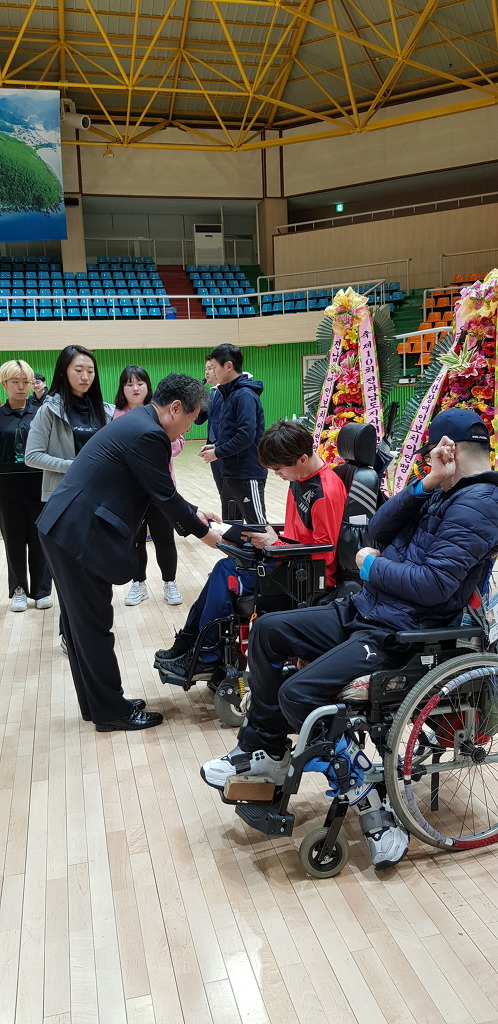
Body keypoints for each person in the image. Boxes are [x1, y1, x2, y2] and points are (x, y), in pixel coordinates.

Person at [201, 408, 498, 869]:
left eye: (431, 457)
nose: (428, 463)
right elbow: (376, 528)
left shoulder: (479, 506)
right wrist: (425, 484)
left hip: (404, 632)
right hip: (368, 608)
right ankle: (266, 749)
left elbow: (435, 585)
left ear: (450, 450)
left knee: (297, 694)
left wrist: (371, 566)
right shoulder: (443, 490)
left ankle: (370, 801)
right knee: (268, 630)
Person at [36, 374, 222, 733]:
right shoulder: (149, 434)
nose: (187, 430)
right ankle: (111, 712)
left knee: (80, 628)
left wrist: (196, 512)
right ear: (176, 408)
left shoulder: (139, 422)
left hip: (64, 528)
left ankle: (99, 706)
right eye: (190, 419)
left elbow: (157, 489)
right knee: (93, 627)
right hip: (77, 534)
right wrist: (209, 537)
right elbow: (164, 495)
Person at [156, 419, 347, 680]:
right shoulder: (302, 477)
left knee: (227, 573)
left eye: (279, 469)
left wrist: (275, 544)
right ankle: (190, 643)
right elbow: (301, 535)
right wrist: (270, 537)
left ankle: (206, 656)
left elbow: (324, 554)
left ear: (302, 459)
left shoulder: (326, 492)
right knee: (224, 568)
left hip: (306, 575)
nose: (277, 475)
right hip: (289, 558)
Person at [25, 345, 114, 653]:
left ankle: (95, 631)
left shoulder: (106, 411)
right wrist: (74, 466)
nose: (85, 376)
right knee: (70, 575)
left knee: (96, 571)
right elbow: (32, 456)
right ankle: (69, 632)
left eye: (90, 371)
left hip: (100, 502)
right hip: (64, 503)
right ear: (64, 371)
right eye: (78, 370)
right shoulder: (48, 410)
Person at [113, 365, 184, 607]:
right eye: (129, 384)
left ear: (148, 386)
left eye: (140, 383)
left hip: (160, 489)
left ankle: (170, 583)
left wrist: (157, 445)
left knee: (165, 538)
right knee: (134, 540)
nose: (135, 388)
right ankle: (138, 584)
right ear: (122, 388)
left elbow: (178, 443)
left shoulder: (160, 411)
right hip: (130, 492)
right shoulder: (116, 415)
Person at [0, 360, 52, 612]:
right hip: (7, 489)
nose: (21, 387)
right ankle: (18, 589)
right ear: (4, 384)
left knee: (40, 539)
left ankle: (42, 590)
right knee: (13, 540)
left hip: (39, 485)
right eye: (15, 382)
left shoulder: (42, 414)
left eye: (25, 382)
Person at [198, 344, 267, 523]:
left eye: (214, 367)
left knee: (258, 527)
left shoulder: (244, 395)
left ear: (228, 366)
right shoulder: (228, 394)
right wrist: (216, 446)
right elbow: (231, 432)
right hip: (230, 473)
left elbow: (245, 436)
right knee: (231, 527)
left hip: (247, 474)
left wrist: (217, 452)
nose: (212, 372)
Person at [195, 357, 223, 495]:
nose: (206, 372)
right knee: (222, 490)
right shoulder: (212, 395)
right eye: (205, 369)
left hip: (225, 448)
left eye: (210, 368)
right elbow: (199, 420)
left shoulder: (230, 394)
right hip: (212, 447)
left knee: (231, 491)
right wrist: (196, 401)